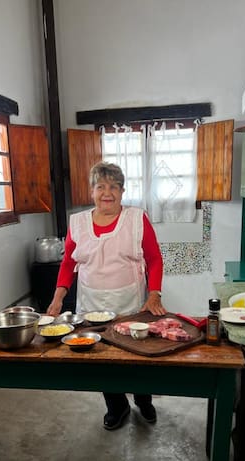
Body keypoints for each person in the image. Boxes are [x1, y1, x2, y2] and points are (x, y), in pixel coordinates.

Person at [47, 161, 167, 430]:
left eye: (114, 186)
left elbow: (154, 258)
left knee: (137, 358)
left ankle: (143, 400)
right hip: (91, 306)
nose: (107, 193)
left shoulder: (136, 219)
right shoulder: (78, 223)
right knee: (101, 359)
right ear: (91, 191)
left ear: (123, 191)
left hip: (131, 305)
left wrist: (154, 294)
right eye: (100, 186)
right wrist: (57, 298)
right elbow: (68, 263)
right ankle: (117, 406)